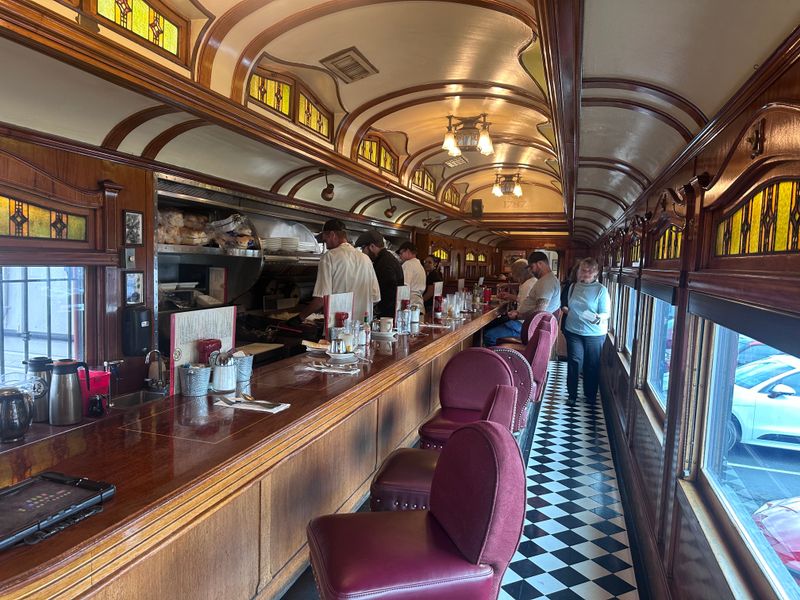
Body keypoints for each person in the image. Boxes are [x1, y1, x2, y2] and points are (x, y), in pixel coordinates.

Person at [294, 219, 380, 324]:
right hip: (363, 328)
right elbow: (375, 297)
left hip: (338, 327)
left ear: (332, 234)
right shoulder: (365, 258)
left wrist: (300, 317)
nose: (325, 242)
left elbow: (321, 298)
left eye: (325, 239)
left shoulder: (329, 257)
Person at [562, 257, 610, 406]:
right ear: (579, 271)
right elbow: (566, 304)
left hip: (594, 334)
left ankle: (590, 395)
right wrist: (566, 309)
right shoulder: (573, 287)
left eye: (590, 270)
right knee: (574, 362)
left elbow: (606, 313)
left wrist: (598, 317)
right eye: (583, 270)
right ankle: (572, 395)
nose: (586, 273)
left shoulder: (601, 290)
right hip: (573, 330)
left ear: (596, 273)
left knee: (592, 364)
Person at [482, 259, 535, 346]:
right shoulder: (530, 281)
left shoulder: (528, 285)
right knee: (491, 324)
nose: (513, 276)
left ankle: (495, 358)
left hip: (522, 324)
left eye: (513, 273)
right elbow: (521, 294)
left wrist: (510, 296)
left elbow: (522, 302)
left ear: (519, 273)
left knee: (489, 335)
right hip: (525, 322)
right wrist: (508, 286)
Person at [355, 229, 404, 318]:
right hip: (392, 313)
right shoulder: (388, 259)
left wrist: (376, 311)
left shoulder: (384, 264)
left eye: (363, 248)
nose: (362, 252)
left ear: (372, 246)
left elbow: (388, 293)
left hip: (386, 316)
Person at [512, 251, 561, 320]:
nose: (531, 271)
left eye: (532, 267)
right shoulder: (549, 279)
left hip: (528, 324)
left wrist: (518, 316)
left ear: (540, 263)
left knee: (492, 330)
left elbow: (539, 310)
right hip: (527, 321)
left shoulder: (546, 282)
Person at [396, 241, 426, 313]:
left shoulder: (408, 264)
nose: (400, 256)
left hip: (411, 306)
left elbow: (404, 287)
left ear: (408, 251)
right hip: (419, 305)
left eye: (401, 253)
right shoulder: (419, 265)